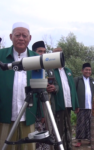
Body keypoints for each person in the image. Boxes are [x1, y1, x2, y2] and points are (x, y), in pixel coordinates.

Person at [0, 22, 39, 150]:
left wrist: (41, 113)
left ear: (30, 38)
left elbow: (40, 88)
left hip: (28, 116)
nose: (21, 38)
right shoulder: (1, 56)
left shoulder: (36, 58)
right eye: (17, 35)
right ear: (11, 37)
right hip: (4, 115)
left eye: (24, 35)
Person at [32, 41, 58, 150]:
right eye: (39, 51)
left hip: (49, 105)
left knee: (49, 131)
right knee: (37, 134)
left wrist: (54, 88)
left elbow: (57, 84)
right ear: (33, 52)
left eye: (44, 51)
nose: (42, 54)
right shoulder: (30, 67)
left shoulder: (49, 69)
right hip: (35, 107)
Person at [52, 47, 79, 150]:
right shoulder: (51, 70)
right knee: (58, 129)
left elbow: (72, 88)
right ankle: (58, 147)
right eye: (57, 55)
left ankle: (68, 147)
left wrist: (75, 104)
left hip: (68, 105)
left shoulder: (67, 70)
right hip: (58, 105)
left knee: (68, 127)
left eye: (61, 54)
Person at [74, 63, 94, 147]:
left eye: (89, 70)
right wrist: (75, 105)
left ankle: (91, 140)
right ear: (82, 70)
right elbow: (74, 93)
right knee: (80, 123)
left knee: (91, 123)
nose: (88, 71)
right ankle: (79, 140)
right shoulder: (77, 80)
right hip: (81, 106)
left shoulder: (93, 81)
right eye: (86, 70)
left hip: (91, 107)